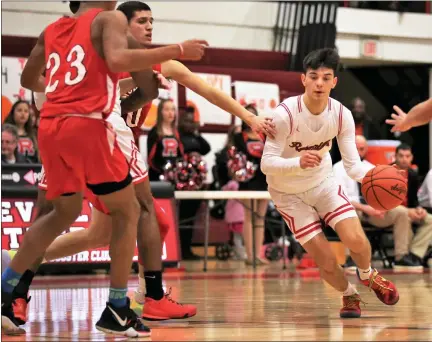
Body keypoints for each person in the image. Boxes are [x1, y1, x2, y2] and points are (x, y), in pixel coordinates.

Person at [2, 0, 208, 337]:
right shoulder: (109, 19)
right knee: (130, 213)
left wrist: (62, 90)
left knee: (60, 214)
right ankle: (117, 307)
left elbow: (28, 77)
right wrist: (178, 49)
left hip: (51, 128)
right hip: (89, 125)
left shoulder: (52, 29)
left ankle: (7, 289)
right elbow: (117, 61)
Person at [261, 48, 399, 319]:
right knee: (325, 259)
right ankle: (349, 295)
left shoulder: (341, 114)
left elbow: (352, 166)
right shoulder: (285, 114)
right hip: (287, 193)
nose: (320, 83)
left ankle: (368, 275)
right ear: (304, 79)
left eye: (326, 78)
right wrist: (297, 163)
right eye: (314, 77)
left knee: (356, 240)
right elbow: (267, 163)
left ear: (334, 82)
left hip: (322, 183)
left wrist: (376, 175)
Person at [333, 135, 424, 272]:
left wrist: (383, 206)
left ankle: (401, 257)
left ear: (366, 150)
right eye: (356, 148)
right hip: (353, 209)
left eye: (362, 148)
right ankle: (352, 258)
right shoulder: (338, 168)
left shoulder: (373, 168)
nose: (358, 151)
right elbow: (339, 199)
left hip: (374, 211)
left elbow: (383, 195)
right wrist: (367, 208)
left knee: (401, 212)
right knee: (348, 212)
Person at [233, 104, 269, 265]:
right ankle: (249, 256)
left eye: (254, 115)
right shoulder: (239, 137)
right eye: (249, 115)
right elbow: (237, 157)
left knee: (260, 217)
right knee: (249, 217)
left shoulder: (264, 136)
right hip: (248, 181)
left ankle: (258, 254)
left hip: (264, 179)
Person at [393, 143, 432, 267]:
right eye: (401, 156)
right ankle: (401, 257)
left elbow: (415, 200)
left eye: (407, 156)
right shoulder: (386, 172)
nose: (404, 159)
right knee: (403, 214)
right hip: (390, 210)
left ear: (411, 158)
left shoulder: (413, 175)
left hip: (408, 210)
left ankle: (414, 255)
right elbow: (384, 201)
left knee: (429, 219)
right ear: (395, 157)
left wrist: (419, 209)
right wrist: (409, 211)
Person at [147, 99, 184, 181]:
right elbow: (151, 158)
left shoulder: (177, 132)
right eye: (167, 109)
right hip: (158, 176)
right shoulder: (155, 132)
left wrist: (177, 170)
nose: (170, 113)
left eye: (173, 109)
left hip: (174, 176)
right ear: (160, 112)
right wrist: (165, 169)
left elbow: (181, 155)